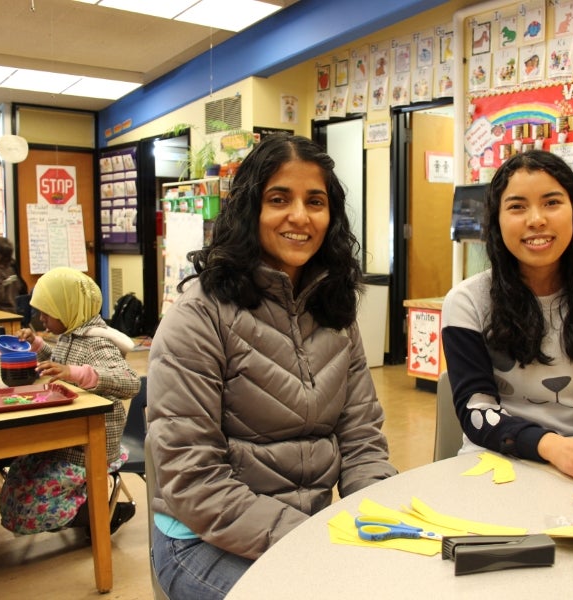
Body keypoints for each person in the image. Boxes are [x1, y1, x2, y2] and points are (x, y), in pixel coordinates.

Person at [147, 134, 397, 599]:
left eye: (315, 201)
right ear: (249, 210)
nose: (299, 217)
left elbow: (363, 442)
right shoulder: (199, 315)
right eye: (279, 199)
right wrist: (308, 542)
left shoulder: (336, 314)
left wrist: (382, 518)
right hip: (202, 540)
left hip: (308, 534)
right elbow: (192, 476)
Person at [441, 150, 573, 484]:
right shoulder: (467, 303)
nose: (536, 219)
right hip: (496, 464)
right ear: (497, 220)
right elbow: (477, 411)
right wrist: (551, 447)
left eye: (551, 202)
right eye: (517, 206)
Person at [0, 267, 141, 535]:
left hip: (91, 445)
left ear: (69, 308)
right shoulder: (72, 332)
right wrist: (38, 346)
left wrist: (75, 374)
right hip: (68, 436)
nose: (41, 319)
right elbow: (61, 364)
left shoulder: (98, 342)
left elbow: (129, 381)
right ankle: (95, 510)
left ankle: (103, 514)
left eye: (47, 314)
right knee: (17, 478)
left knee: (28, 506)